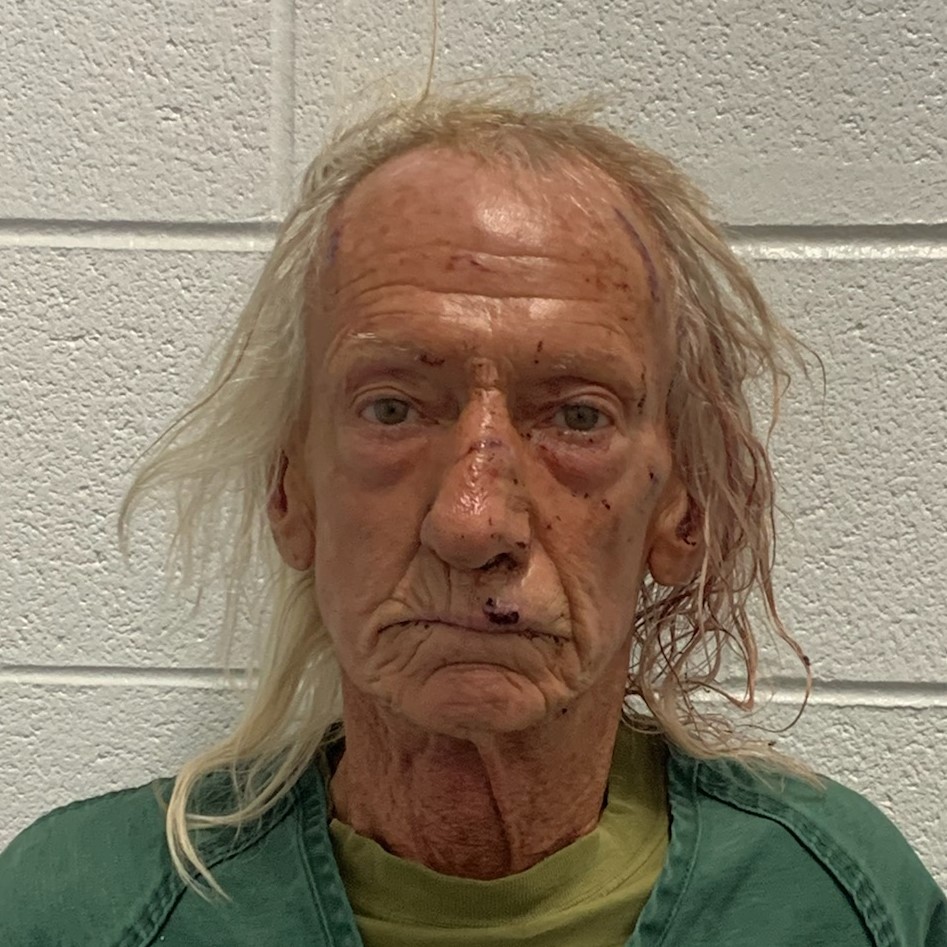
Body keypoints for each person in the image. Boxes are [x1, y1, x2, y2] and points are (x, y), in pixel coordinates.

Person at [2, 90, 944, 946]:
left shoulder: (839, 909)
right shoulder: (73, 912)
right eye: (391, 408)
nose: (473, 521)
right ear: (290, 492)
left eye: (578, 416)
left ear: (681, 507)